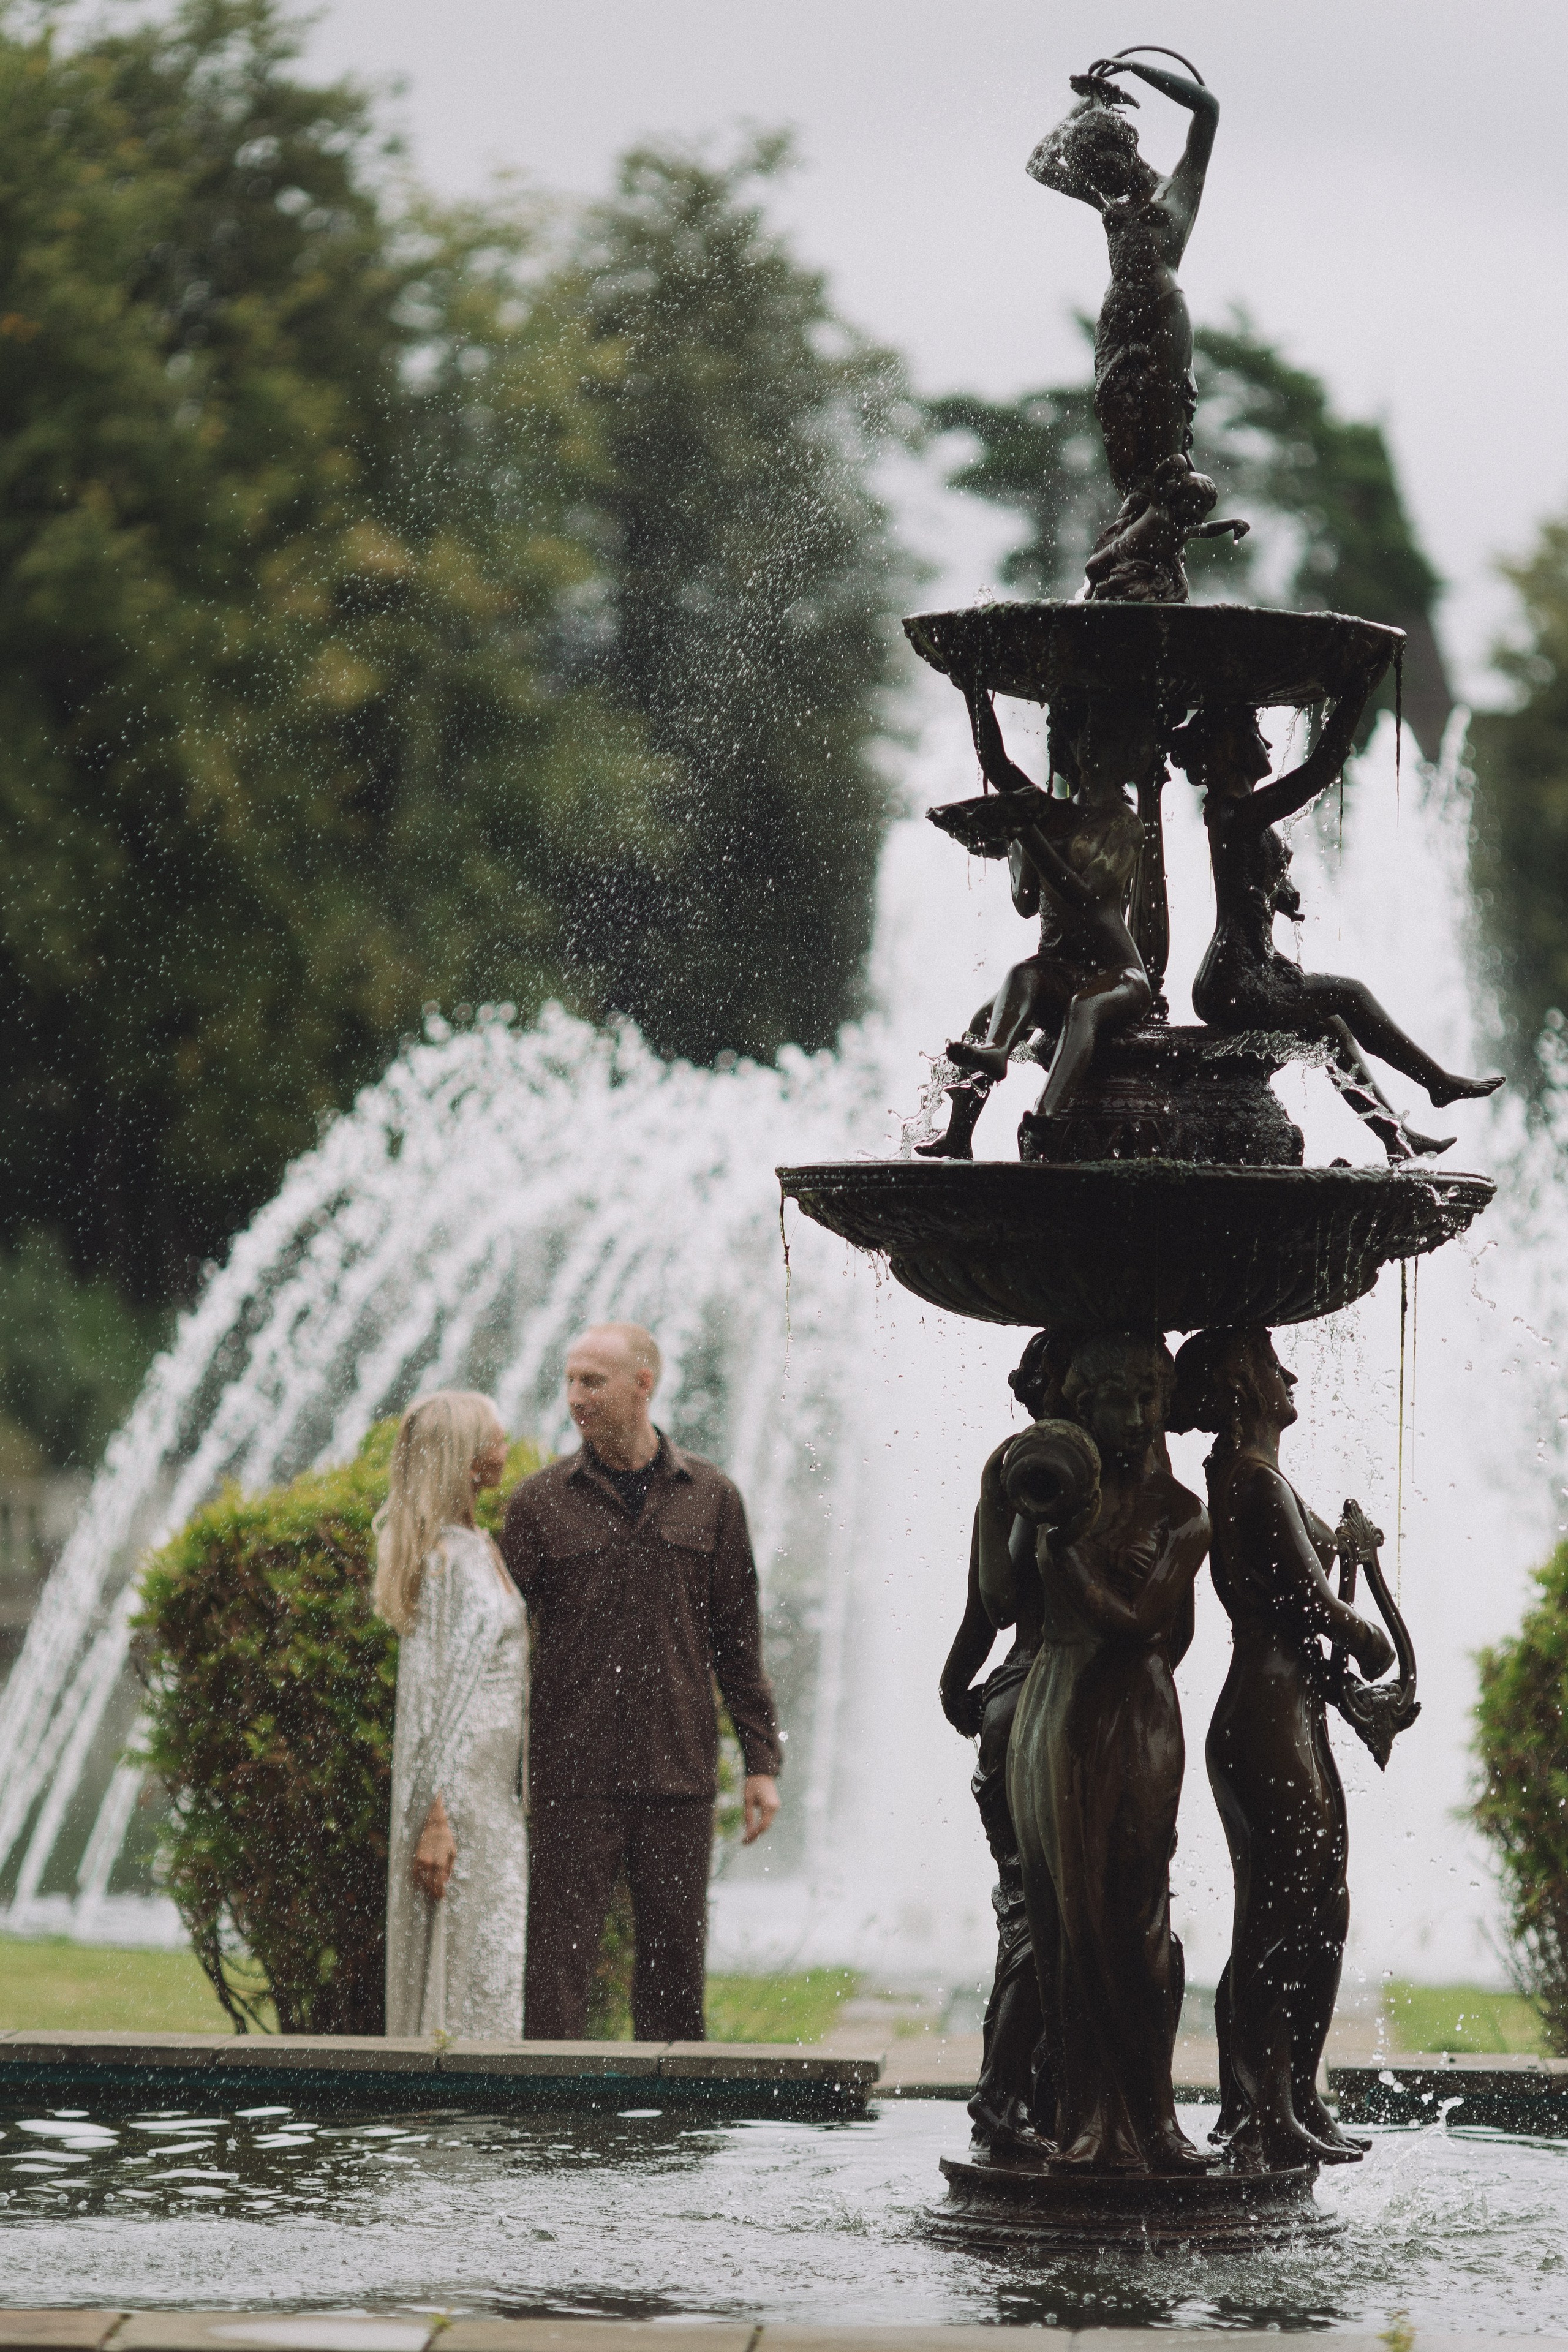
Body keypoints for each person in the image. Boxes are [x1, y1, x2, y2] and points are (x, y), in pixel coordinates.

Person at [501, 1322, 782, 2042]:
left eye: (592, 1381)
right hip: (572, 1774)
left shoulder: (712, 1497)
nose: (575, 1398)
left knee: (674, 1973)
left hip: (677, 1773)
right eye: (569, 1381)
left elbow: (737, 1639)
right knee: (557, 1968)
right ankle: (548, 2134)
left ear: (642, 1385)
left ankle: (675, 2138)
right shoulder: (537, 1505)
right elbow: (499, 1651)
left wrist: (761, 1765)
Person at [982, 1332, 1209, 2173]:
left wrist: (1065, 1553)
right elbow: (1003, 1602)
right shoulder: (1048, 1491)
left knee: (1135, 1919)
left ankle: (1153, 2118)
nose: (1139, 1416)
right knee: (1059, 1918)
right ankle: (1081, 2119)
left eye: (1151, 1397)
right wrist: (1000, 1501)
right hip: (1051, 1709)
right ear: (1079, 1403)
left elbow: (1142, 1622)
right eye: (1117, 1399)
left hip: (1136, 1716)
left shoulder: (1182, 1513)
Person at [1169, 1325, 1393, 2173]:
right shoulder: (1253, 1483)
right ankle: (1256, 2109)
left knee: (1321, 1908)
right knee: (1277, 1915)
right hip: (1265, 1718)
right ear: (1239, 1385)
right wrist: (1368, 1637)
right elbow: (1311, 1609)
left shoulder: (1256, 1477)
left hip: (1293, 1713)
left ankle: (1297, 2093)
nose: (1289, 1372)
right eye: (1269, 1363)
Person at [1172, 693, 1502, 1157]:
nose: (1266, 741)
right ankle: (1437, 1083)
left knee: (1331, 1030)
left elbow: (1244, 878)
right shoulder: (1237, 813)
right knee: (1348, 994)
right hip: (1235, 979)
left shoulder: (1239, 815)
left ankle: (1395, 1136)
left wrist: (1276, 893)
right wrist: (1357, 686)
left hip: (1243, 973)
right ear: (1230, 746)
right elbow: (1321, 770)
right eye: (1254, 733)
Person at [917, 683, 1150, 1159]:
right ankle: (961, 1129)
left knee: (1083, 1008)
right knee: (1005, 994)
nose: (1089, 741)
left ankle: (1045, 1121)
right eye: (1082, 730)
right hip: (1058, 968)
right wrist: (974, 693)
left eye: (1103, 735)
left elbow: (1084, 897)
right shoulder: (1049, 813)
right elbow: (997, 766)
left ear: (1129, 752)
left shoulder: (1124, 824)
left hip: (1119, 975)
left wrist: (1024, 830)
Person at [939, 1332, 1071, 2161]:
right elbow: (999, 1593)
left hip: (1032, 1695)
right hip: (1041, 1699)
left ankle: (1048, 2093)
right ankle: (1003, 2098)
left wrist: (957, 1678)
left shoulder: (1027, 1466)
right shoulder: (1027, 1466)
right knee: (1039, 1907)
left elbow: (986, 1603)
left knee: (1047, 1907)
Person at [375, 1389, 527, 2040]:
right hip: (461, 1795)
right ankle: (457, 2118)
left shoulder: (474, 1543)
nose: (506, 1448)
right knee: (469, 1952)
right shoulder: (441, 1561)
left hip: (493, 1789)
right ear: (465, 1459)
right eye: (494, 1439)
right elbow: (431, 1699)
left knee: (492, 1951)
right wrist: (435, 1819)